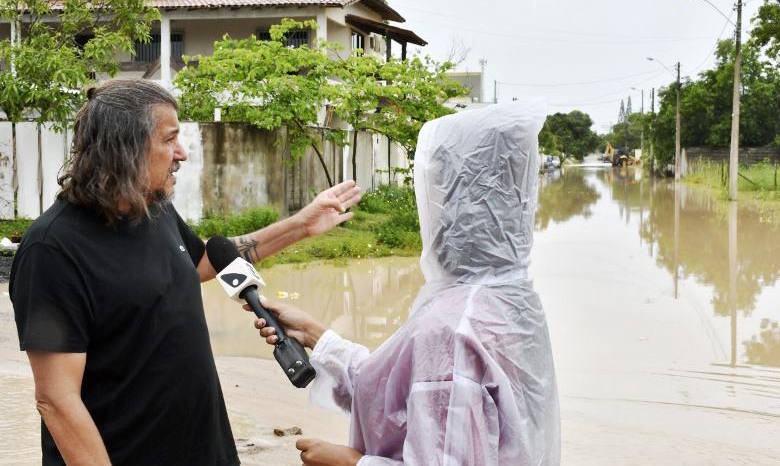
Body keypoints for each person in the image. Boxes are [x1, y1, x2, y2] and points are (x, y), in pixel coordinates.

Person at [9, 79, 361, 465]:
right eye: (169, 139)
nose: (182, 153)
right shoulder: (53, 249)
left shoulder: (152, 207)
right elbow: (57, 400)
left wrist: (301, 226)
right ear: (124, 147)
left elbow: (200, 264)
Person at [250, 100, 561, 465]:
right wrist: (318, 337)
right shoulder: (513, 301)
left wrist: (349, 461)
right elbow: (400, 392)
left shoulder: (451, 331)